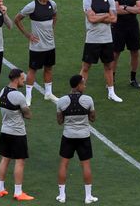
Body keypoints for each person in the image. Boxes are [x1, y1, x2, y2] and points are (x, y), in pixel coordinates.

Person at [14, 0, 58, 105]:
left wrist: (51, 28)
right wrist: (27, 35)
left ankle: (48, 93)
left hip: (50, 45)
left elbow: (55, 16)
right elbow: (17, 19)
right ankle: (28, 96)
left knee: (49, 68)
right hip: (37, 46)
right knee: (33, 70)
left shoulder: (52, 4)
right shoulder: (31, 6)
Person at [56, 75, 98, 204]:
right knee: (85, 165)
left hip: (68, 136)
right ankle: (88, 196)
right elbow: (92, 118)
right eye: (83, 84)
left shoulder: (61, 101)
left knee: (64, 164)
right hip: (84, 137)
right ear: (78, 85)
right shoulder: (88, 99)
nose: (84, 86)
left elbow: (59, 121)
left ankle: (62, 195)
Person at [79, 0, 120, 102]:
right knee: (86, 67)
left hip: (107, 39)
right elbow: (91, 19)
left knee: (108, 67)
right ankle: (78, 93)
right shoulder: (87, 0)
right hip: (92, 39)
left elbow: (114, 19)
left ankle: (111, 93)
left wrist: (99, 16)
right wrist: (105, 15)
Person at [0, 68, 34, 201]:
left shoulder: (2, 91)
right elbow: (28, 115)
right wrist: (27, 110)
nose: (24, 81)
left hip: (5, 131)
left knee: (5, 159)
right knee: (20, 161)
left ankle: (0, 188)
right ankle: (18, 192)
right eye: (23, 79)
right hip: (17, 133)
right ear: (17, 79)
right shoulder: (18, 96)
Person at [109, 0, 140, 88]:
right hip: (118, 26)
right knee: (115, 53)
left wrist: (125, 7)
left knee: (135, 52)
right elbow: (116, 11)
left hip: (133, 26)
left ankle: (133, 79)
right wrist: (131, 9)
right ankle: (112, 79)